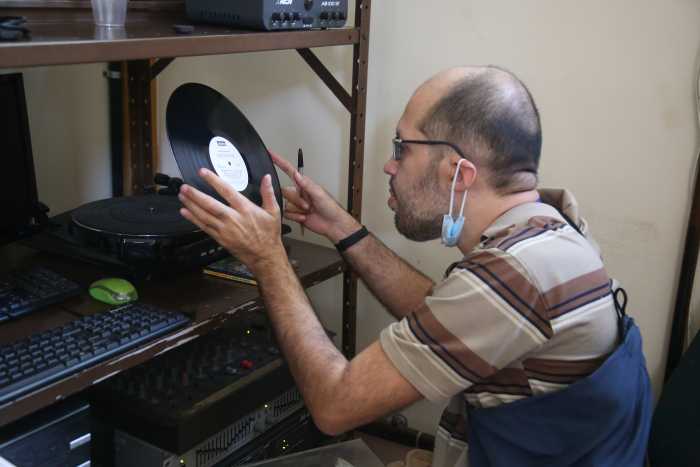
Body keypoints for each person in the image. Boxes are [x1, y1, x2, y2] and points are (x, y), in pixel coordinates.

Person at [178, 66, 653, 467]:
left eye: (402, 147)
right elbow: (446, 312)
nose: (389, 165)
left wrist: (267, 257)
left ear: (458, 173)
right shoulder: (550, 227)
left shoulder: (514, 276)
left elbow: (334, 405)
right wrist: (344, 229)